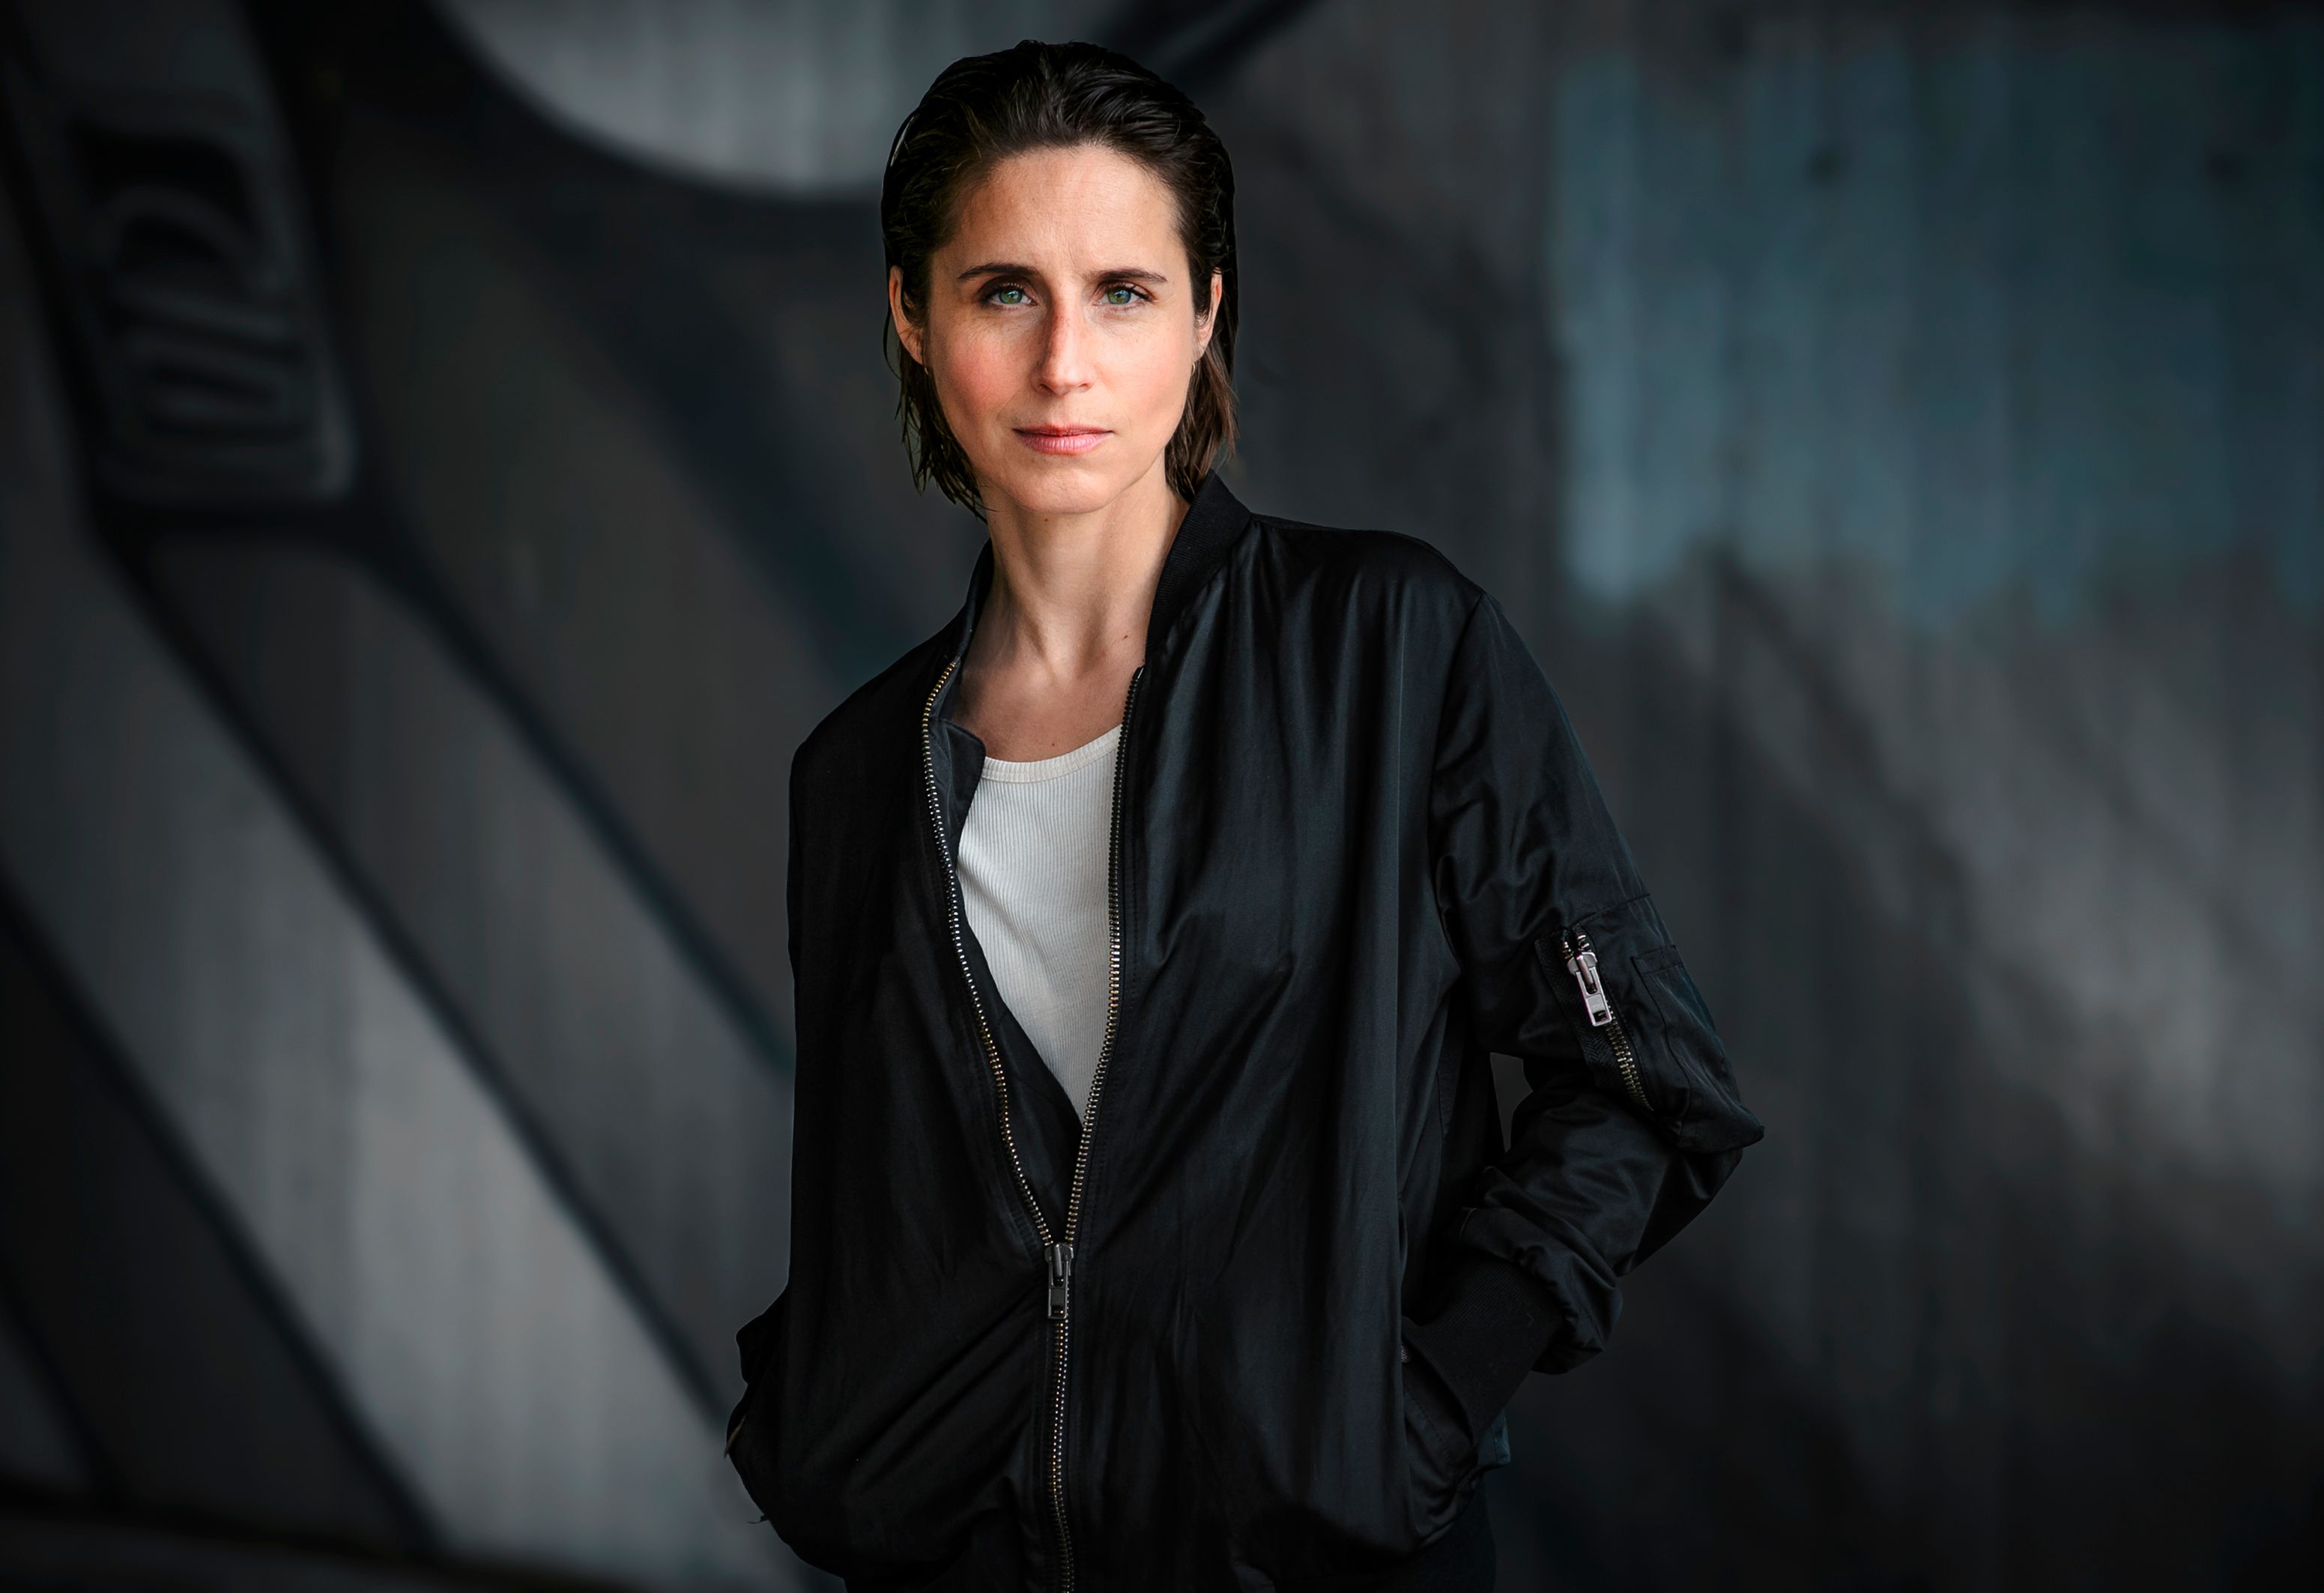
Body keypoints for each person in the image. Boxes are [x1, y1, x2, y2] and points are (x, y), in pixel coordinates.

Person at [726, 38, 1763, 1593]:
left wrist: (1417, 1410)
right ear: (913, 316)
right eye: (1004, 291)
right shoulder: (860, 768)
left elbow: (1639, 1085)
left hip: (1314, 1564)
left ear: (1205, 313)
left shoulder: (1387, 649)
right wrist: (815, 1421)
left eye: (1123, 292)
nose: (1063, 362)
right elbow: (880, 1200)